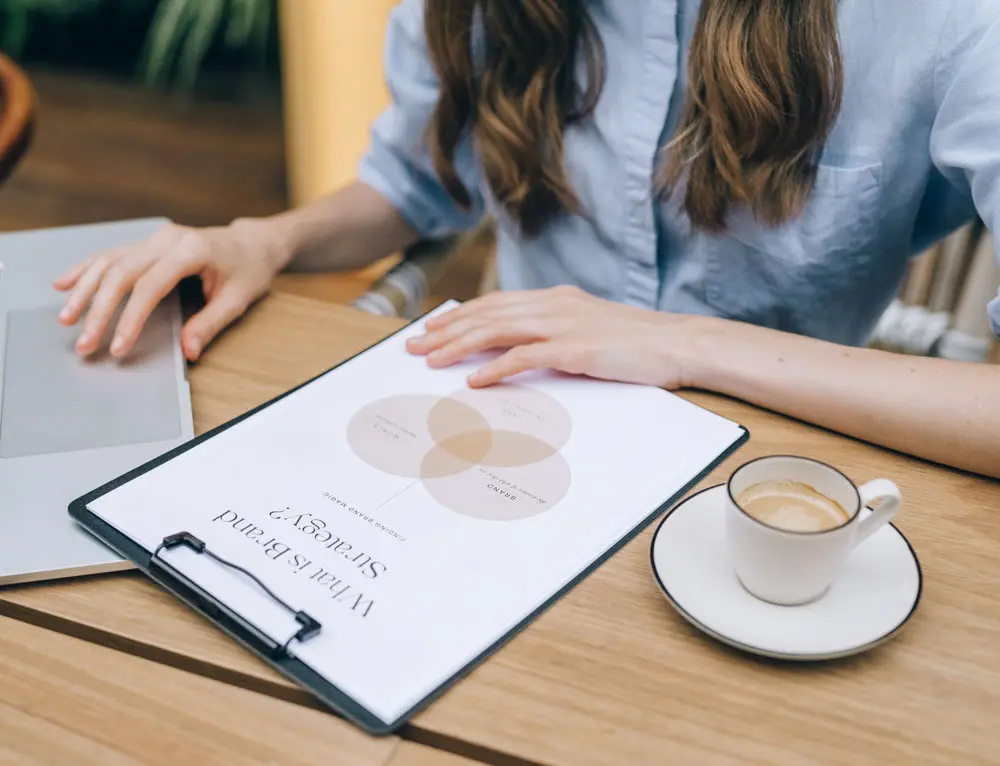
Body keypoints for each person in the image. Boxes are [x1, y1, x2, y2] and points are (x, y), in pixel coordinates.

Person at [54, 0, 1000, 478]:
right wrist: (265, 239)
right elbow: (420, 181)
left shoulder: (956, 26)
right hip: (510, 421)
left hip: (779, 460)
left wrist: (684, 345)